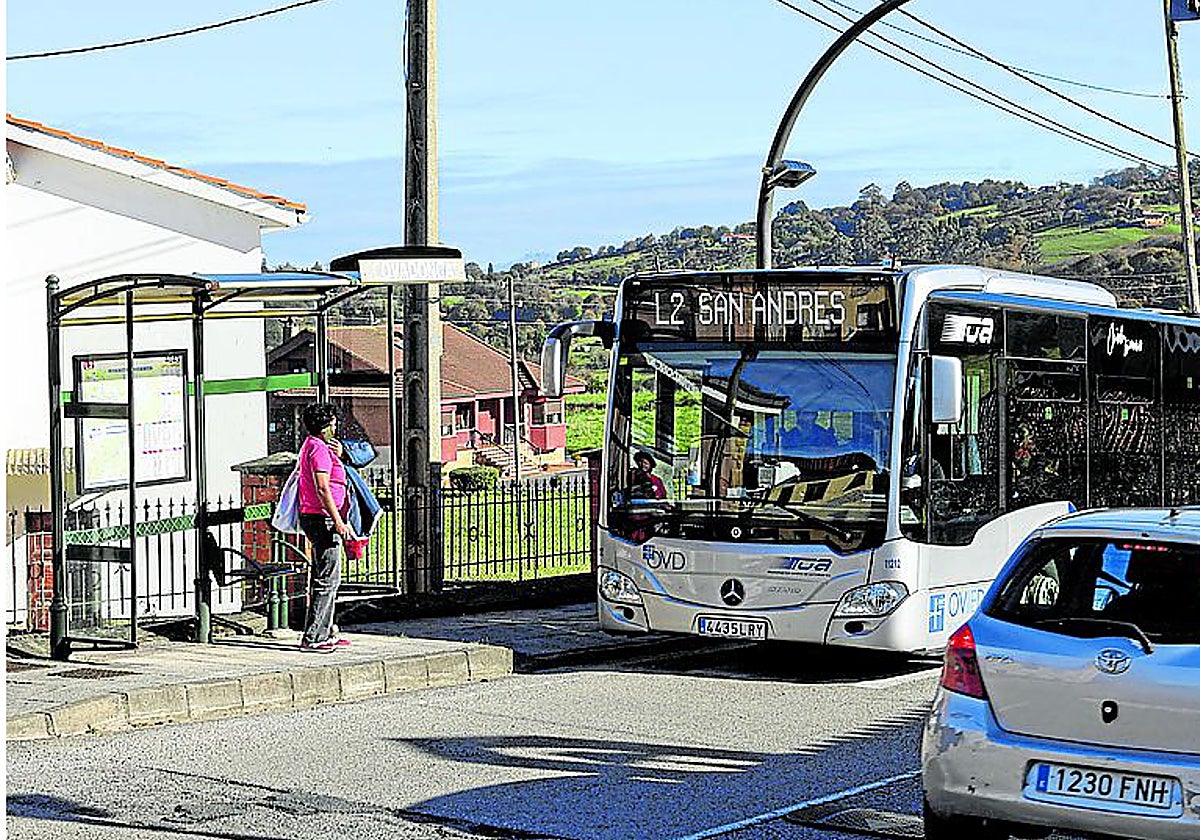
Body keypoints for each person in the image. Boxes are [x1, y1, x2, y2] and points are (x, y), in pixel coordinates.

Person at [297, 402, 356, 653]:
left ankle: (327, 629)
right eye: (333, 423)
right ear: (325, 426)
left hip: (317, 516)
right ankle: (314, 637)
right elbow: (322, 488)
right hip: (322, 518)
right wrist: (338, 521)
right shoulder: (318, 449)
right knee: (327, 578)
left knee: (327, 575)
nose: (336, 426)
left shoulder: (314, 445)